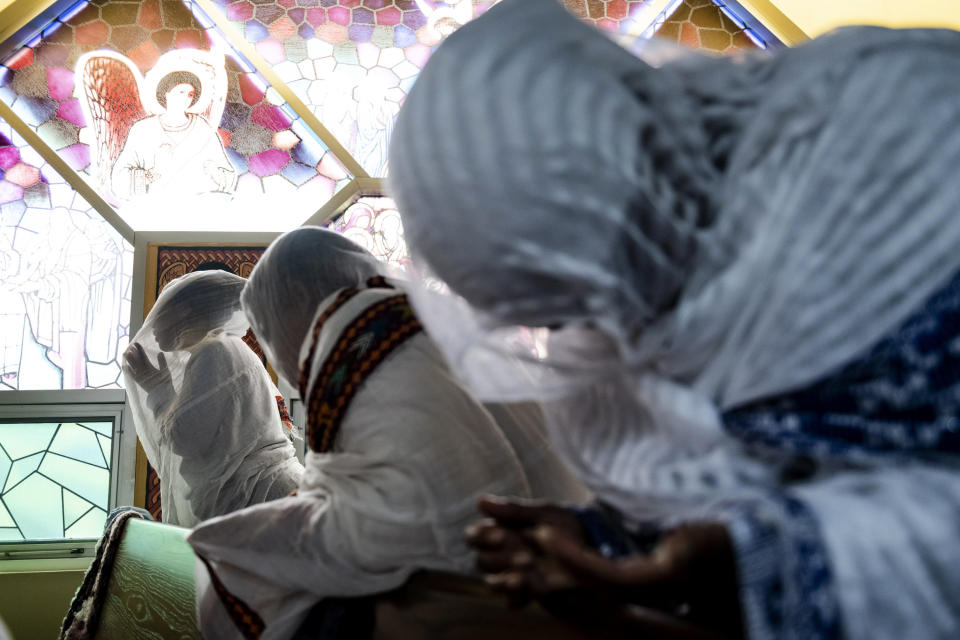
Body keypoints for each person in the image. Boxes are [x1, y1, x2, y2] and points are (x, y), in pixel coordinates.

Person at [387, 0, 960, 638]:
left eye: (582, 296)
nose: (583, 338)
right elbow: (775, 486)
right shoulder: (648, 299)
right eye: (551, 317)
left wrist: (753, 569)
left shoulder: (925, 147)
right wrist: (607, 542)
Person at [186, 227, 589, 639]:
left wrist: (279, 527)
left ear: (300, 297)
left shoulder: (355, 332)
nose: (273, 352)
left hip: (491, 575)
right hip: (567, 548)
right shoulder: (431, 314)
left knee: (233, 559)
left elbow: (418, 517)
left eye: (268, 329)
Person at [123, 270, 302, 527]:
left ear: (184, 312)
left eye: (161, 311)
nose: (153, 324)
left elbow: (184, 437)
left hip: (266, 503)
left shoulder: (215, 350)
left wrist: (157, 388)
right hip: (267, 501)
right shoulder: (222, 349)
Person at [112, 70, 236, 199]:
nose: (186, 98)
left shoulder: (202, 128)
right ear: (167, 93)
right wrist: (152, 173)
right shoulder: (143, 129)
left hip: (196, 203)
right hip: (154, 205)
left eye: (190, 94)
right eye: (181, 92)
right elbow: (119, 179)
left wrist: (215, 173)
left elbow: (228, 175)